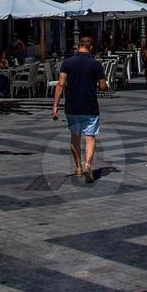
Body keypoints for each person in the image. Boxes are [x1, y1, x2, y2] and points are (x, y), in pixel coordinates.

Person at [52, 35, 108, 182]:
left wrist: (55, 106)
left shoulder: (67, 63)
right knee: (90, 137)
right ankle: (88, 164)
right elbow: (103, 86)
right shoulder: (96, 65)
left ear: (78, 47)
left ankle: (78, 167)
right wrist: (97, 84)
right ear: (91, 48)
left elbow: (60, 84)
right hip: (90, 106)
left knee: (75, 138)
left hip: (72, 106)